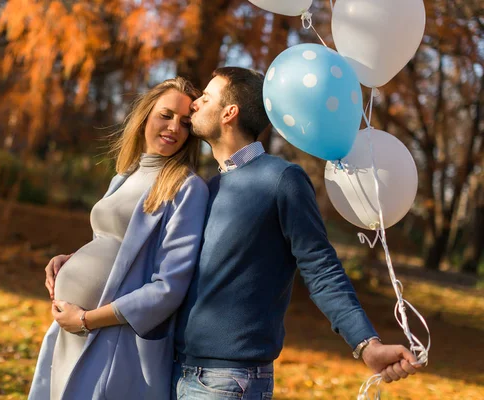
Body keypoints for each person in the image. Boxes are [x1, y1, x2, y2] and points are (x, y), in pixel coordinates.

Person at [172, 67, 421, 399]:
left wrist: (366, 344)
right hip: (179, 369)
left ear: (229, 113)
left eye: (205, 98)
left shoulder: (281, 179)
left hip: (228, 380)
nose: (195, 105)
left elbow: (320, 268)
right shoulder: (209, 186)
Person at [28, 77, 209, 400]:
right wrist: (71, 260)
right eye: (165, 115)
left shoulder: (186, 187)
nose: (174, 128)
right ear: (144, 117)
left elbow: (169, 287)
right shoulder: (124, 175)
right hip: (76, 330)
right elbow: (112, 241)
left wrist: (86, 319)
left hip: (113, 337)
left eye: (184, 122)